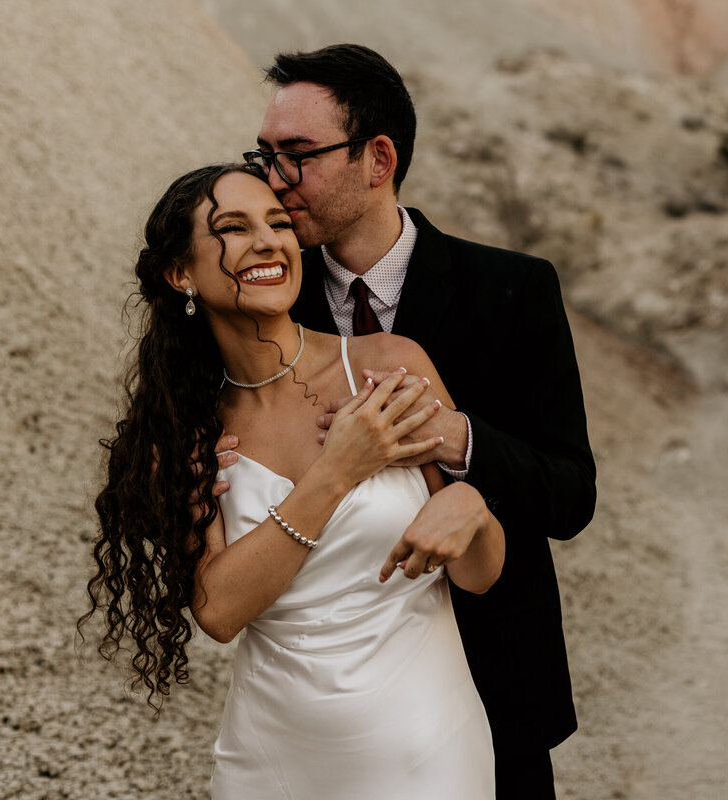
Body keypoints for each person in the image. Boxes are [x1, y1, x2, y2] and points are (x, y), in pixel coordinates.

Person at [225, 44, 597, 799]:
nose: (273, 180)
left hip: (495, 691)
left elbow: (571, 496)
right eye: (265, 155)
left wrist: (457, 441)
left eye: (296, 155)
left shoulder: (514, 290)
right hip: (328, 713)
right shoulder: (262, 308)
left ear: (378, 157)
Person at [80, 162, 505, 799]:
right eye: (232, 227)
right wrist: (338, 470)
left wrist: (472, 505)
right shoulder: (188, 432)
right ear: (180, 274)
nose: (267, 241)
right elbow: (220, 611)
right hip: (270, 761)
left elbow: (478, 574)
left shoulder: (388, 367)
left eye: (278, 222)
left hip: (423, 747)